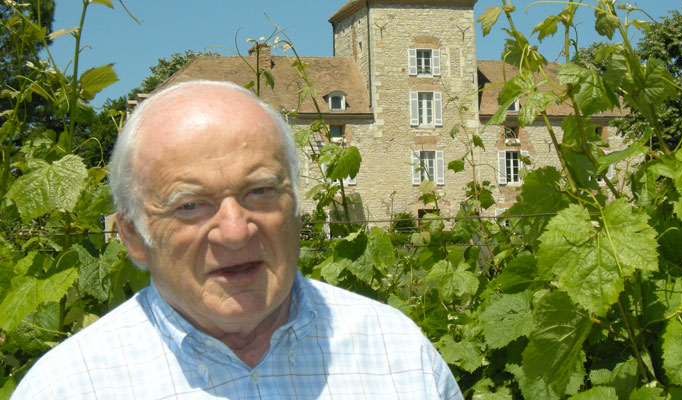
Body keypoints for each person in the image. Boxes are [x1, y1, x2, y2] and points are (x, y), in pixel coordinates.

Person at [12, 80, 463, 399]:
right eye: (190, 204)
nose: (235, 229)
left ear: (296, 205)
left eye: (260, 191)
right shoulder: (69, 387)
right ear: (133, 237)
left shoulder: (397, 353)